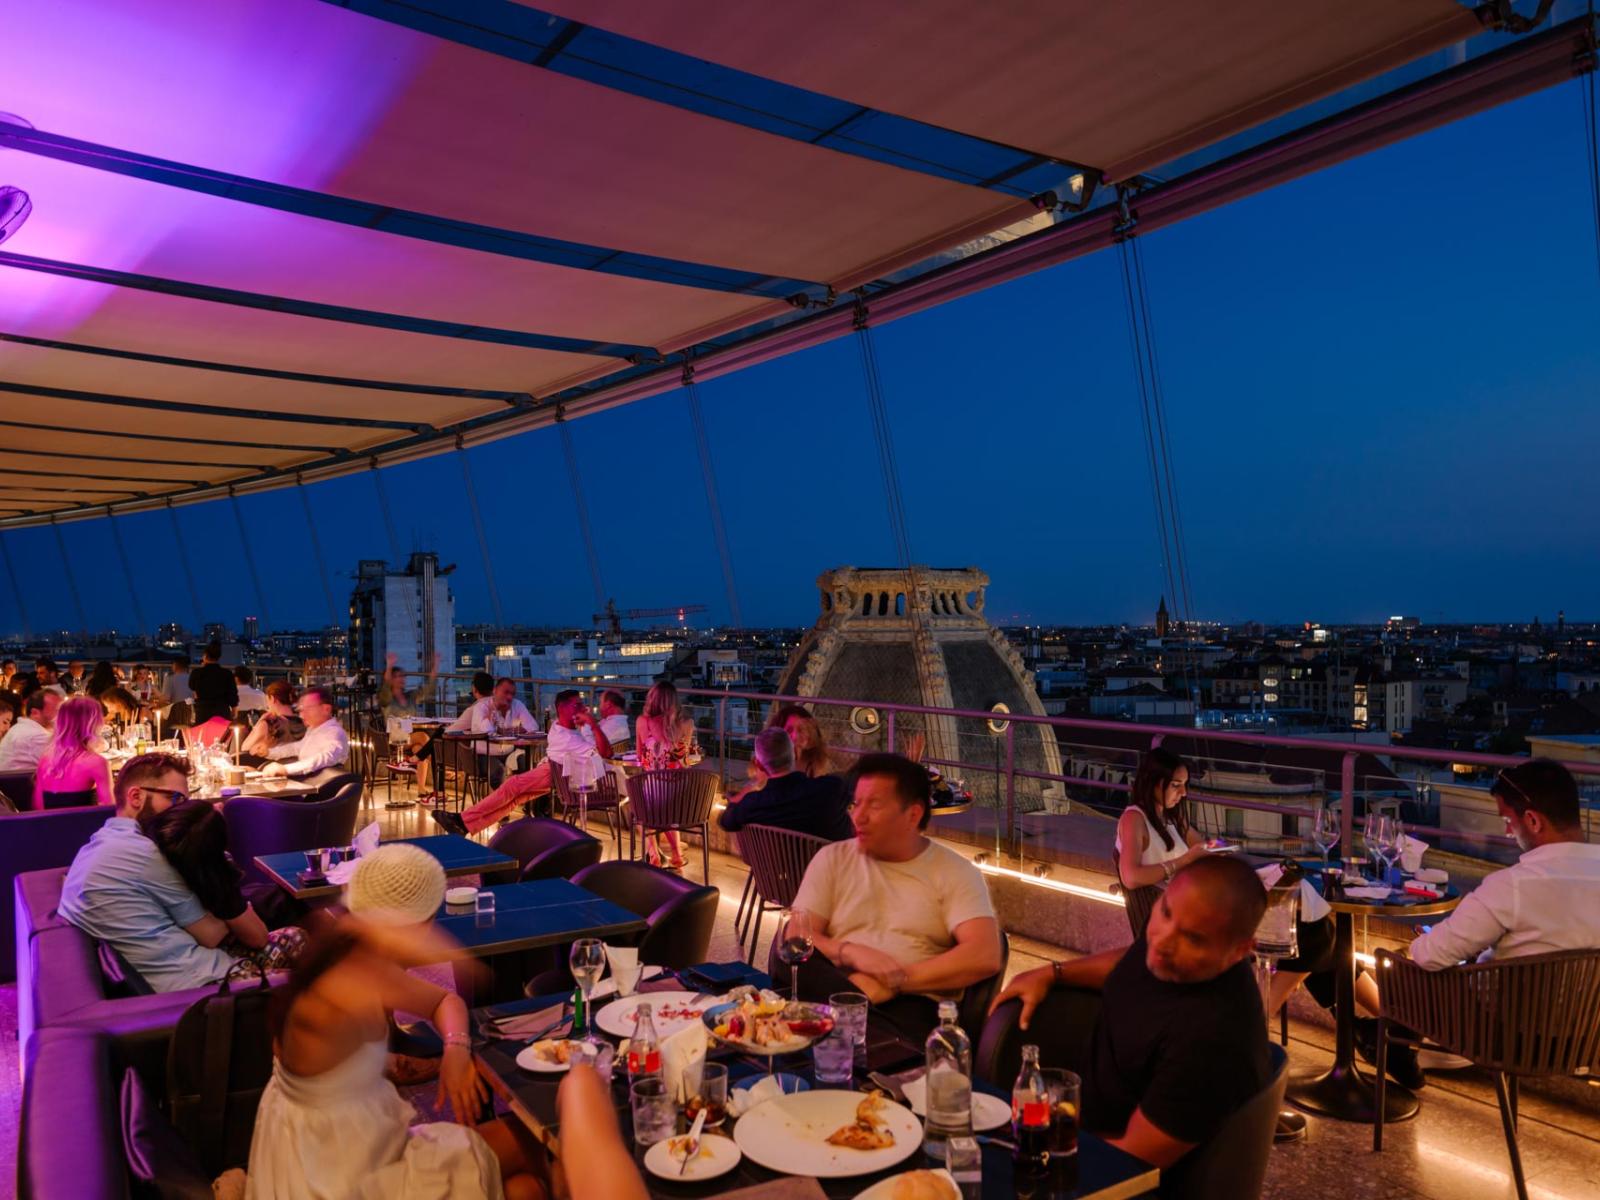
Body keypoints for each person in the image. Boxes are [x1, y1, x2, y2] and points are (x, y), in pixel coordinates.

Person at [244, 844, 544, 1199]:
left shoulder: (345, 961)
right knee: (532, 1140)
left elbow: (444, 1000)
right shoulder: (338, 988)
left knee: (524, 1189)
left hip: (356, 1151)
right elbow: (459, 973)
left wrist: (456, 1049)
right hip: (342, 1178)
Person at [990, 856, 1270, 1169]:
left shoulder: (1214, 1041)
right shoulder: (1171, 956)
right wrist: (1053, 973)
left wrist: (1031, 1149)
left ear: (1240, 950)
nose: (1162, 940)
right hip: (1075, 1122)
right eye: (1165, 912)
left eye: (1193, 938)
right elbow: (1128, 962)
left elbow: (1129, 1161)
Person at [1349, 758, 1600, 1089]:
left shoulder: (1513, 886)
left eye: (1509, 821)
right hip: (1589, 1040)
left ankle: (1384, 1035)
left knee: (1402, 961)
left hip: (1506, 1039)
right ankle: (1388, 1037)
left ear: (1533, 821)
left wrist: (1433, 943)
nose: (1508, 832)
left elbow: (1429, 956)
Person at [787, 753, 1002, 1042]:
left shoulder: (954, 872)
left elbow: (985, 954)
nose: (857, 816)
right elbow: (797, 935)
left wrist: (896, 980)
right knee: (791, 957)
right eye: (856, 803)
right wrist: (850, 952)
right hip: (834, 984)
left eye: (873, 805)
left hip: (907, 1006)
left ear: (913, 815)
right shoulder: (833, 858)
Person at [59, 754, 302, 992]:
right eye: (175, 798)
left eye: (185, 801)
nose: (181, 810)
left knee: (296, 937)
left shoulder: (102, 841)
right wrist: (213, 866)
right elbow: (212, 935)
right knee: (313, 978)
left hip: (183, 964)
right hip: (201, 982)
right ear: (136, 796)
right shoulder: (146, 854)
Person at [143, 798, 305, 967]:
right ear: (215, 846)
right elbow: (257, 938)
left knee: (271, 897)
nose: (219, 805)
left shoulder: (151, 855)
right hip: (209, 956)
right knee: (294, 933)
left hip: (167, 944)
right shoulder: (213, 876)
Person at [434, 690, 611, 836]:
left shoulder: (567, 730)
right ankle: (465, 825)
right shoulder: (560, 729)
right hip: (556, 771)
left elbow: (605, 753)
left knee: (512, 786)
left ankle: (461, 820)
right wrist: (589, 726)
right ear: (562, 708)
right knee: (514, 797)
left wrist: (591, 725)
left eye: (582, 704)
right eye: (577, 705)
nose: (584, 709)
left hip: (565, 775)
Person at [720, 727, 852, 841]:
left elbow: (725, 821)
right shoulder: (831, 789)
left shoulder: (752, 804)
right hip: (827, 868)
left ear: (759, 764)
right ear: (794, 753)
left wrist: (746, 791)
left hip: (778, 869)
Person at [1115, 748, 1208, 891]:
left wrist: (1217, 847)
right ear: (1154, 783)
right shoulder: (1134, 819)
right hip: (1168, 907)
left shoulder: (1172, 817)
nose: (1183, 793)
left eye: (1184, 785)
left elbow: (1202, 847)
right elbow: (1130, 878)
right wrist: (1185, 860)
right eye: (1176, 785)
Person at [635, 681, 699, 869]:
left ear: (651, 700)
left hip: (653, 786)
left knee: (640, 809)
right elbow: (684, 759)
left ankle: (654, 854)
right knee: (666, 809)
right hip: (680, 789)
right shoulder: (687, 724)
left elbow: (639, 756)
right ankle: (677, 855)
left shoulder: (642, 722)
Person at [33, 695, 114, 809]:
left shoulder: (45, 759)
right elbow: (108, 808)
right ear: (94, 724)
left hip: (49, 825)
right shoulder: (97, 762)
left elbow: (38, 805)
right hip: (85, 826)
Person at [262, 687, 349, 779]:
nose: (301, 715)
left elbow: (326, 757)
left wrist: (286, 769)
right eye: (300, 710)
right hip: (307, 782)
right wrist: (268, 752)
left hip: (321, 788)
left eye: (306, 709)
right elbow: (296, 747)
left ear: (326, 709)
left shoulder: (334, 732)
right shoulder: (313, 729)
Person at [467, 678, 540, 785]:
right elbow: (488, 731)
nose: (510, 697)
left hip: (508, 752)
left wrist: (515, 730)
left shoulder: (517, 705)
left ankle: (525, 800)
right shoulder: (481, 707)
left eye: (512, 694)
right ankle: (503, 800)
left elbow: (533, 727)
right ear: (495, 691)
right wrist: (494, 709)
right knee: (498, 771)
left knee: (529, 766)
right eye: (506, 692)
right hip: (484, 755)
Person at [0, 688, 62, 771]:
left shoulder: (22, 728)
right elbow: (65, 767)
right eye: (56, 710)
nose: (63, 714)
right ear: (35, 713)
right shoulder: (36, 736)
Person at [240, 682, 306, 760]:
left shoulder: (268, 724)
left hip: (271, 768)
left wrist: (259, 722)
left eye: (267, 700)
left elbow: (244, 749)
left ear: (272, 698)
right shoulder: (305, 722)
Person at [767, 703, 833, 777]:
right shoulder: (771, 765)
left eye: (801, 729)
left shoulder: (817, 762)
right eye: (789, 730)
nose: (796, 735)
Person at [188, 641, 238, 724]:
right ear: (218, 657)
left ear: (205, 656)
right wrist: (234, 709)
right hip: (222, 710)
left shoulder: (196, 673)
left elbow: (191, 686)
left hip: (202, 710)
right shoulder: (226, 673)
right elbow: (232, 693)